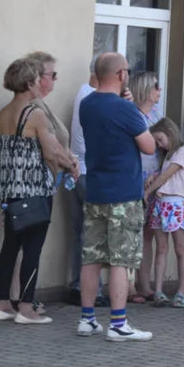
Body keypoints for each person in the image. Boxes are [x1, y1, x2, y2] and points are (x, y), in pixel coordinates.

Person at [78, 53, 157, 342]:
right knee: (121, 260)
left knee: (91, 257)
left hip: (96, 188)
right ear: (122, 75)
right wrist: (134, 110)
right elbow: (148, 146)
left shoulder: (87, 105)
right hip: (123, 192)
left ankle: (87, 319)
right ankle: (118, 323)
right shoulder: (126, 110)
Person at [0, 57, 78, 325]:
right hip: (34, 189)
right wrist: (72, 165)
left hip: (10, 189)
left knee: (9, 247)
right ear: (30, 82)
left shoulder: (4, 113)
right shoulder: (35, 113)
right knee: (33, 249)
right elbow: (51, 149)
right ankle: (27, 307)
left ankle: (4, 303)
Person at [145, 117, 184, 308]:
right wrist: (154, 176)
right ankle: (158, 290)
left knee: (180, 248)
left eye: (159, 139)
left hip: (176, 203)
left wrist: (148, 191)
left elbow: (169, 175)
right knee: (161, 248)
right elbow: (162, 173)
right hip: (161, 203)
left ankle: (181, 291)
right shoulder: (166, 156)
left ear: (170, 132)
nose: (159, 144)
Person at [68, 55, 104, 305]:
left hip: (81, 171)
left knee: (83, 231)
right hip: (88, 173)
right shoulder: (90, 96)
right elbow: (85, 141)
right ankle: (88, 289)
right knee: (91, 233)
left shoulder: (85, 93)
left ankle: (78, 284)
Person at [128, 71, 164, 303]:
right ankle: (128, 285)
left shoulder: (156, 115)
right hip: (136, 176)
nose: (159, 91)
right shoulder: (134, 115)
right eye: (156, 86)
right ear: (145, 89)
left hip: (154, 177)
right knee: (131, 233)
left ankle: (145, 283)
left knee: (148, 234)